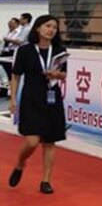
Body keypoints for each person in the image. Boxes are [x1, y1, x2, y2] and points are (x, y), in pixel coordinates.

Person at [7, 15, 69, 194]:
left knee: (50, 141)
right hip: (31, 98)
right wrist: (13, 99)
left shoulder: (59, 50)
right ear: (38, 28)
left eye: (54, 27)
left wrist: (56, 75)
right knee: (32, 141)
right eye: (47, 26)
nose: (51, 30)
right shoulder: (25, 50)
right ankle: (20, 163)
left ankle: (46, 180)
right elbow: (16, 76)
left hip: (52, 98)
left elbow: (64, 74)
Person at [1, 17, 21, 98]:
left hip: (13, 52)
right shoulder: (9, 32)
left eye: (11, 23)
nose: (9, 25)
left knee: (12, 72)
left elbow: (19, 41)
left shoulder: (19, 32)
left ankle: (12, 91)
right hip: (5, 52)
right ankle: (8, 89)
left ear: (17, 24)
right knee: (6, 72)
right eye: (9, 23)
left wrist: (8, 39)